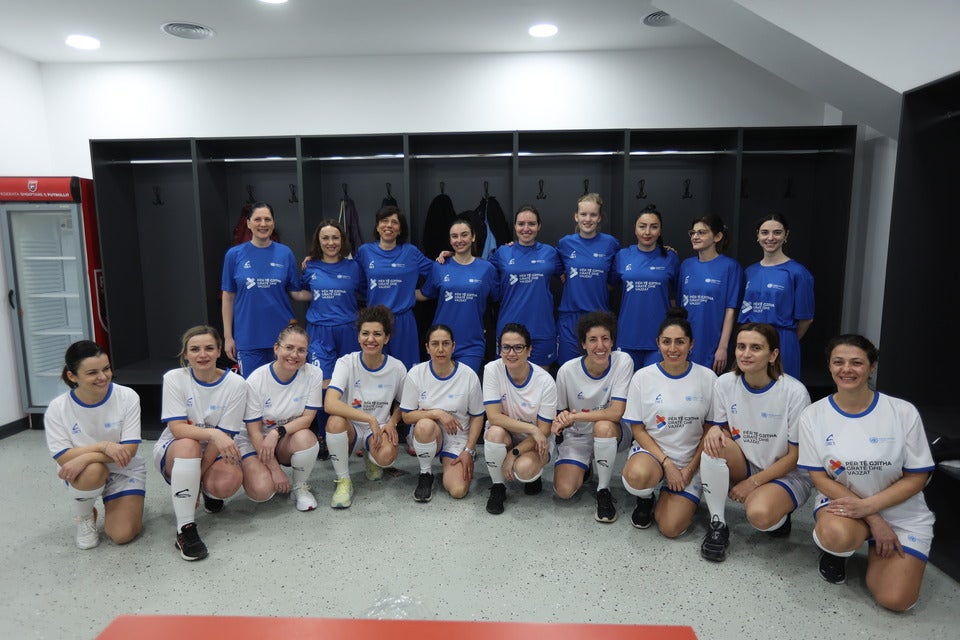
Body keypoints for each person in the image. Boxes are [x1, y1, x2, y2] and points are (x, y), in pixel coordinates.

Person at [798, 335, 935, 611]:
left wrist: (872, 509)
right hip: (844, 505)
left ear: (871, 367)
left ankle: (877, 554)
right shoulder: (813, 415)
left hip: (901, 510)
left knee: (896, 600)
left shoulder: (902, 412)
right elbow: (820, 478)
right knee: (837, 536)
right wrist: (873, 518)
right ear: (829, 366)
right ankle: (839, 551)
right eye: (839, 362)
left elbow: (917, 478)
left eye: (856, 363)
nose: (846, 369)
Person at [698, 322, 812, 562]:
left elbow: (795, 456)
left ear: (773, 354)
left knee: (760, 515)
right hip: (747, 462)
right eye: (741, 346)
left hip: (787, 473)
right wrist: (715, 432)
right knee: (713, 445)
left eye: (756, 348)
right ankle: (718, 524)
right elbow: (725, 432)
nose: (746, 354)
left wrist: (753, 483)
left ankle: (779, 514)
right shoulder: (726, 383)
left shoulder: (794, 392)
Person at [154, 325, 247, 561]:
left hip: (215, 450)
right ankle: (185, 529)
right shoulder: (175, 379)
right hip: (179, 447)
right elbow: (177, 428)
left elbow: (224, 436)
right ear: (186, 354)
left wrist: (196, 481)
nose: (202, 354)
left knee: (228, 482)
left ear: (218, 352)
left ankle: (204, 489)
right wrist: (214, 434)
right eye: (194, 349)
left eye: (209, 348)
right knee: (189, 446)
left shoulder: (237, 384)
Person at [620, 308, 716, 537]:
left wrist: (689, 470)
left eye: (680, 342)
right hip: (654, 453)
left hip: (689, 461)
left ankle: (671, 494)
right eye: (666, 342)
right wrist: (667, 464)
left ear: (691, 344)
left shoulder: (708, 378)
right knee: (637, 477)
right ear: (658, 343)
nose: (673, 349)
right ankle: (645, 498)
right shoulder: (643, 377)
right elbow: (638, 429)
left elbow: (709, 430)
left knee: (670, 528)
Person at [44, 341, 145, 550]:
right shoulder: (57, 408)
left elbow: (129, 451)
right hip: (83, 471)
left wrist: (87, 455)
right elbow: (63, 458)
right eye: (92, 373)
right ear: (72, 376)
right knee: (93, 471)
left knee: (122, 535)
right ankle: (85, 515)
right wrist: (104, 446)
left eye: (106, 369)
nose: (103, 377)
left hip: (123, 467)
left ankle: (110, 499)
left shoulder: (127, 396)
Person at [293, 219, 365, 458]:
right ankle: (324, 436)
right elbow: (301, 292)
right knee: (322, 384)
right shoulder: (310, 267)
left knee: (350, 384)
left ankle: (352, 433)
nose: (331, 242)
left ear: (342, 240)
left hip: (347, 330)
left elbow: (366, 291)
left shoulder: (354, 267)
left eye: (335, 237)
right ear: (319, 241)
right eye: (325, 238)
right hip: (320, 332)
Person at [552, 311, 633, 522]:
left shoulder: (623, 361)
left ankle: (603, 490)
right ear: (583, 344)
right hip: (577, 436)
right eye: (593, 340)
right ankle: (584, 465)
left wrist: (575, 417)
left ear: (613, 341)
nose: (600, 346)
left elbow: (617, 412)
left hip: (612, 431)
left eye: (605, 339)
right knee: (564, 491)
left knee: (603, 427)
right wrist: (559, 424)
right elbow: (562, 413)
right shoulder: (567, 371)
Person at [324, 305, 406, 508]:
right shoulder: (346, 363)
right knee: (334, 422)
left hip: (378, 430)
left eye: (377, 334)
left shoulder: (397, 367)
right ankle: (344, 481)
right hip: (351, 426)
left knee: (387, 457)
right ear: (358, 337)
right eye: (365, 333)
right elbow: (330, 403)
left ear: (386, 338)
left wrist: (393, 423)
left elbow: (405, 404)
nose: (371, 339)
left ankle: (372, 458)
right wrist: (369, 419)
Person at [236, 325, 323, 512]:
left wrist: (277, 433)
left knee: (307, 438)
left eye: (301, 350)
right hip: (255, 440)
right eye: (289, 347)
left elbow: (307, 419)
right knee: (262, 491)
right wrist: (275, 470)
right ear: (276, 348)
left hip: (281, 438)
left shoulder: (313, 374)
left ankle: (299, 487)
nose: (294, 355)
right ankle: (250, 467)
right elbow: (253, 432)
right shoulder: (256, 380)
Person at [400, 325, 484, 502]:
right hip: (428, 434)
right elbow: (406, 415)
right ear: (427, 348)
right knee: (424, 424)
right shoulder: (416, 373)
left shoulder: (468, 375)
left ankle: (454, 461)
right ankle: (425, 474)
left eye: (446, 344)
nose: (440, 349)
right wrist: (437, 413)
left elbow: (477, 415)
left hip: (457, 438)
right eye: (435, 344)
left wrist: (469, 450)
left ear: (453, 346)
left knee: (458, 490)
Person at [482, 323, 558, 514]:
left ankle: (534, 473)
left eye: (518, 347)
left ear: (529, 350)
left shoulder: (545, 381)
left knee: (524, 470)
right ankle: (498, 487)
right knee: (494, 433)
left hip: (535, 442)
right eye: (506, 347)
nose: (511, 353)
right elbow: (493, 416)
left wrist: (513, 453)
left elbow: (545, 430)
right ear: (500, 350)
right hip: (511, 433)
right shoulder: (492, 370)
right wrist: (531, 428)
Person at [221, 202, 301, 377]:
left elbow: (295, 293)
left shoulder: (285, 253)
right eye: (257, 219)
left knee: (284, 391)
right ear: (248, 223)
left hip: (282, 339)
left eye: (267, 219)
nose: (263, 224)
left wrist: (325, 288)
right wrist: (228, 337)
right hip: (248, 337)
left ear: (273, 223)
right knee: (253, 393)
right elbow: (228, 296)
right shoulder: (234, 255)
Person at [355, 206, 433, 370]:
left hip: (403, 321)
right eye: (384, 221)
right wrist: (315, 259)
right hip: (374, 322)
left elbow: (437, 272)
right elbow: (350, 276)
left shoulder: (410, 252)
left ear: (400, 230)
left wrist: (423, 293)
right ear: (377, 226)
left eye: (394, 222)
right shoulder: (365, 251)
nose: (389, 225)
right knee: (374, 369)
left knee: (406, 372)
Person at [738, 213, 814, 380]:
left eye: (777, 232)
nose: (770, 238)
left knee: (782, 392)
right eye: (765, 232)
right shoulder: (749, 272)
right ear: (757, 235)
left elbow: (806, 319)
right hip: (751, 343)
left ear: (786, 235)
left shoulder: (798, 273)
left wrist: (781, 339)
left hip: (782, 342)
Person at [418, 218, 499, 374]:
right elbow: (423, 294)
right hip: (440, 343)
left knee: (464, 391)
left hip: (472, 344)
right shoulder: (440, 266)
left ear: (473, 237)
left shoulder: (487, 269)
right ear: (449, 239)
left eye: (464, 235)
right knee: (439, 390)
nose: (459, 240)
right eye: (454, 236)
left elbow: (498, 297)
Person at [488, 205, 563, 368]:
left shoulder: (550, 253)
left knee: (541, 384)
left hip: (542, 329)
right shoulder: (502, 253)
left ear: (539, 226)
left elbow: (568, 276)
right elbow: (476, 269)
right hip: (509, 330)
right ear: (515, 226)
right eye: (521, 224)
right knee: (508, 385)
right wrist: (451, 256)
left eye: (531, 224)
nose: (526, 228)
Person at [611, 204, 680, 370]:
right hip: (627, 336)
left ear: (660, 230)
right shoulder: (622, 256)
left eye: (653, 227)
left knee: (655, 392)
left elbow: (677, 298)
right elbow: (607, 287)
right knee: (626, 392)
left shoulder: (670, 257)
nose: (647, 232)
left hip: (659, 338)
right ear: (635, 229)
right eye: (642, 226)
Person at [556, 193, 621, 365]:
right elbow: (559, 271)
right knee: (568, 371)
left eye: (593, 215)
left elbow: (613, 280)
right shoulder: (565, 244)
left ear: (599, 217)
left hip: (599, 317)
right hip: (570, 317)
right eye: (583, 214)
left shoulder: (611, 244)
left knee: (598, 371)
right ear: (576, 216)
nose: (588, 219)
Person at [678, 215, 743, 373]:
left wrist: (722, 347)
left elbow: (730, 310)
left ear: (717, 236)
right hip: (687, 342)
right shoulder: (686, 265)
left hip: (713, 343)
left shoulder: (730, 267)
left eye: (702, 232)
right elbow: (679, 307)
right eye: (693, 233)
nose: (695, 236)